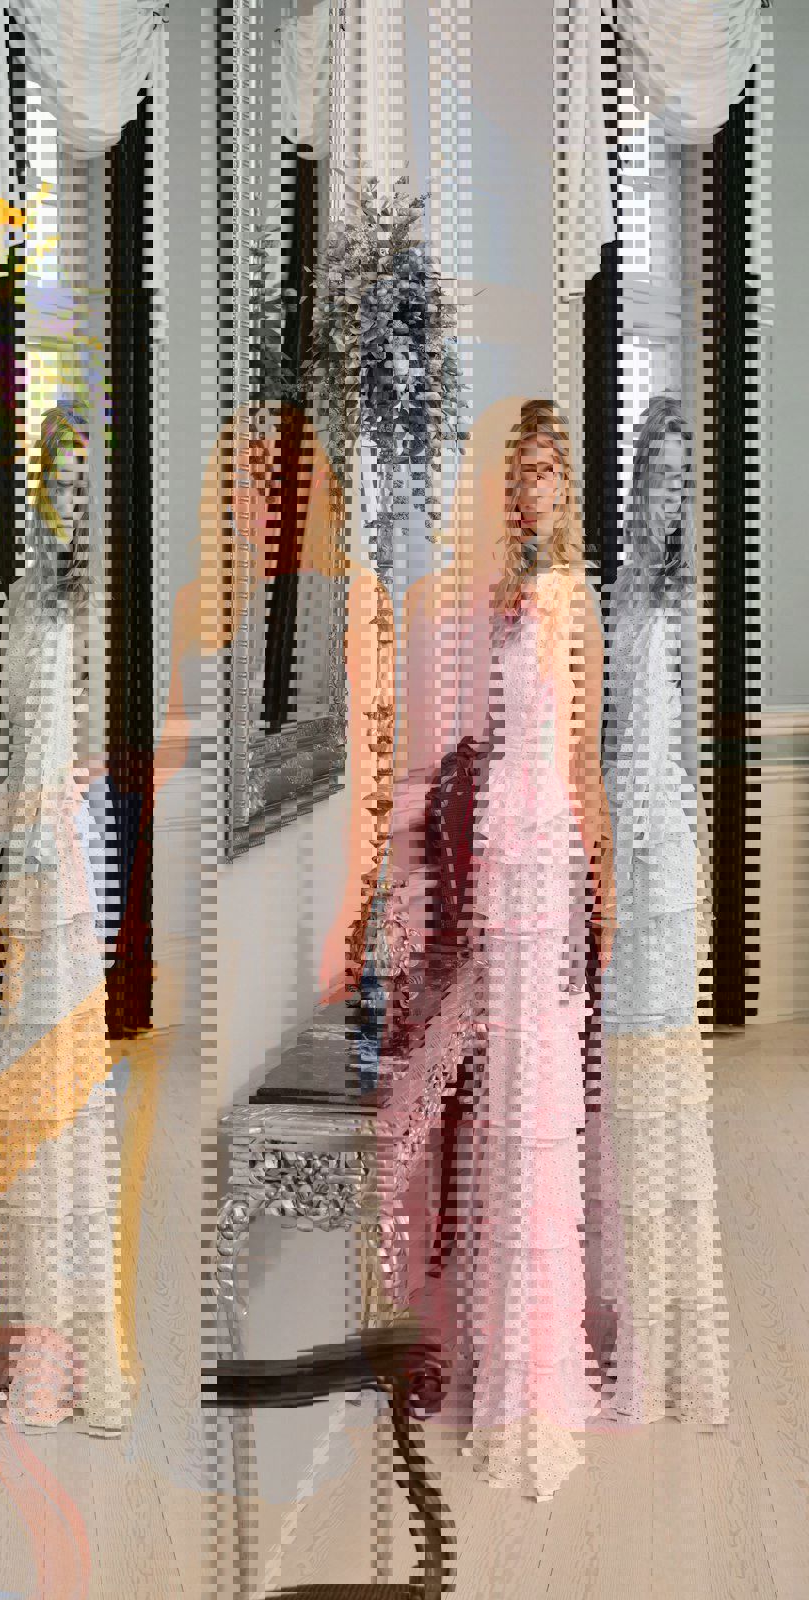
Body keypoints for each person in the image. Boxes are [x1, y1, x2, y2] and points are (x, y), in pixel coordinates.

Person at [377, 399, 615, 1501]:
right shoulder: (499, 602)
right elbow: (482, 746)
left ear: (567, 489)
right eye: (517, 476)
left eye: (545, 474)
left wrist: (600, 891)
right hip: (498, 877)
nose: (529, 492)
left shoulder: (576, 601)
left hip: (549, 867)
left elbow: (583, 760)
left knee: (539, 1117)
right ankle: (494, 1375)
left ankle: (542, 1390)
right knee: (497, 1116)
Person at [0, 402, 129, 1433]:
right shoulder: (14, 601)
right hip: (23, 869)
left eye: (83, 482)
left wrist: (66, 815)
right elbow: (0, 749)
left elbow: (92, 753)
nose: (68, 497)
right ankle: (29, 1351)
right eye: (57, 477)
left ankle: (75, 1352)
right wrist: (2, 871)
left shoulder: (91, 603)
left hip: (70, 871)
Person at [599, 395, 729, 1427]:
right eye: (657, 475)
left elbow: (661, 757)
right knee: (630, 1112)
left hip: (661, 873)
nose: (667, 497)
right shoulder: (619, 592)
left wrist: (635, 863)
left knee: (657, 1111)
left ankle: (660, 1354)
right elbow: (613, 743)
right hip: (629, 863)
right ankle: (640, 1338)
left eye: (684, 481)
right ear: (635, 479)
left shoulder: (680, 603)